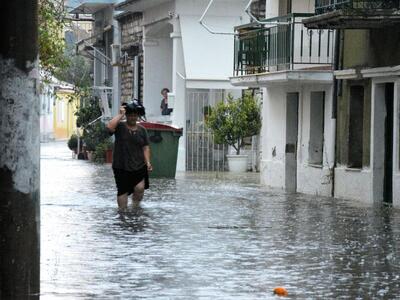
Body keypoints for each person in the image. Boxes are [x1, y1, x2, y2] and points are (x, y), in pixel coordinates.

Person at [106, 100, 152, 210]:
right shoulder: (120, 127)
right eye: (130, 115)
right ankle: (123, 213)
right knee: (122, 190)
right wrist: (120, 114)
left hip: (139, 165)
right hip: (121, 165)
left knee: (140, 188)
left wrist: (148, 162)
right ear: (127, 115)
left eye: (135, 115)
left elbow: (145, 147)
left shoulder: (142, 130)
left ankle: (135, 207)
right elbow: (109, 127)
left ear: (138, 116)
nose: (132, 117)